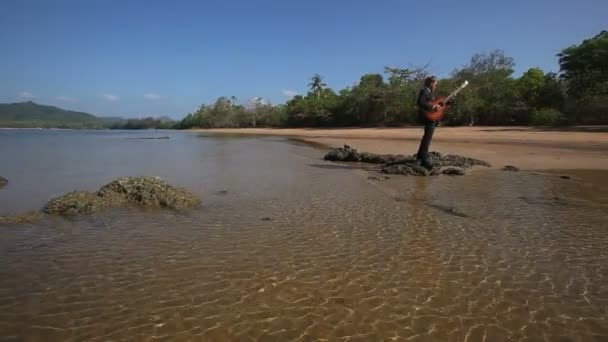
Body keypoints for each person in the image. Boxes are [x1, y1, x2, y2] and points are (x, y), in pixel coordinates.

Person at [415, 76, 453, 169]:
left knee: (427, 137)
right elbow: (421, 103)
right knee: (427, 138)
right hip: (428, 117)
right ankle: (424, 157)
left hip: (432, 118)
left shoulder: (431, 93)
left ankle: (420, 158)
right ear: (431, 83)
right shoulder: (424, 91)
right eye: (435, 83)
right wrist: (432, 107)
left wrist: (449, 101)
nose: (436, 85)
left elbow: (439, 104)